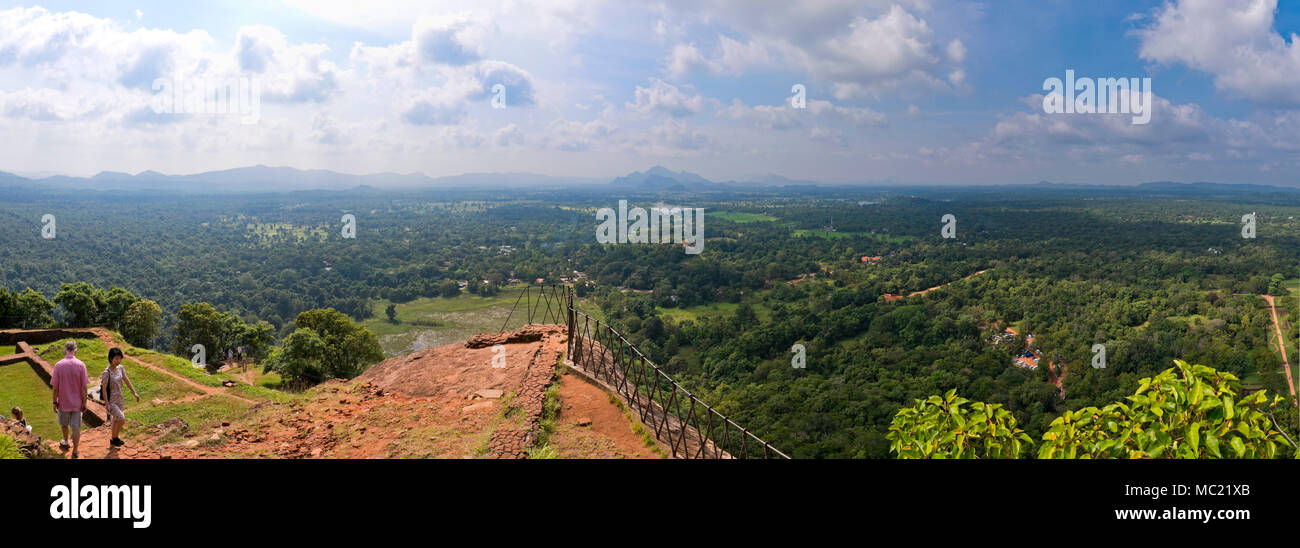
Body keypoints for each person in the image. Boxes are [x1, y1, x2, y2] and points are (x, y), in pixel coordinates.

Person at [50, 340, 89, 458]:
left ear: (65, 350)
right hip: (77, 403)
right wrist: (85, 402)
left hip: (63, 403)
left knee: (64, 425)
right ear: (75, 350)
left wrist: (54, 402)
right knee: (76, 428)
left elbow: (55, 388)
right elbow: (84, 387)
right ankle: (76, 450)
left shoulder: (58, 365)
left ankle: (66, 442)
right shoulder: (81, 365)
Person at [98, 347, 139, 448]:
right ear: (111, 359)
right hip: (111, 401)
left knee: (116, 419)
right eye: (116, 358)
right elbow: (104, 389)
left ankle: (114, 438)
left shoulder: (121, 368)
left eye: (119, 358)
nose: (118, 361)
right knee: (121, 418)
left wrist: (134, 392)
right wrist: (106, 403)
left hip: (120, 398)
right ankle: (115, 438)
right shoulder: (106, 373)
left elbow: (126, 380)